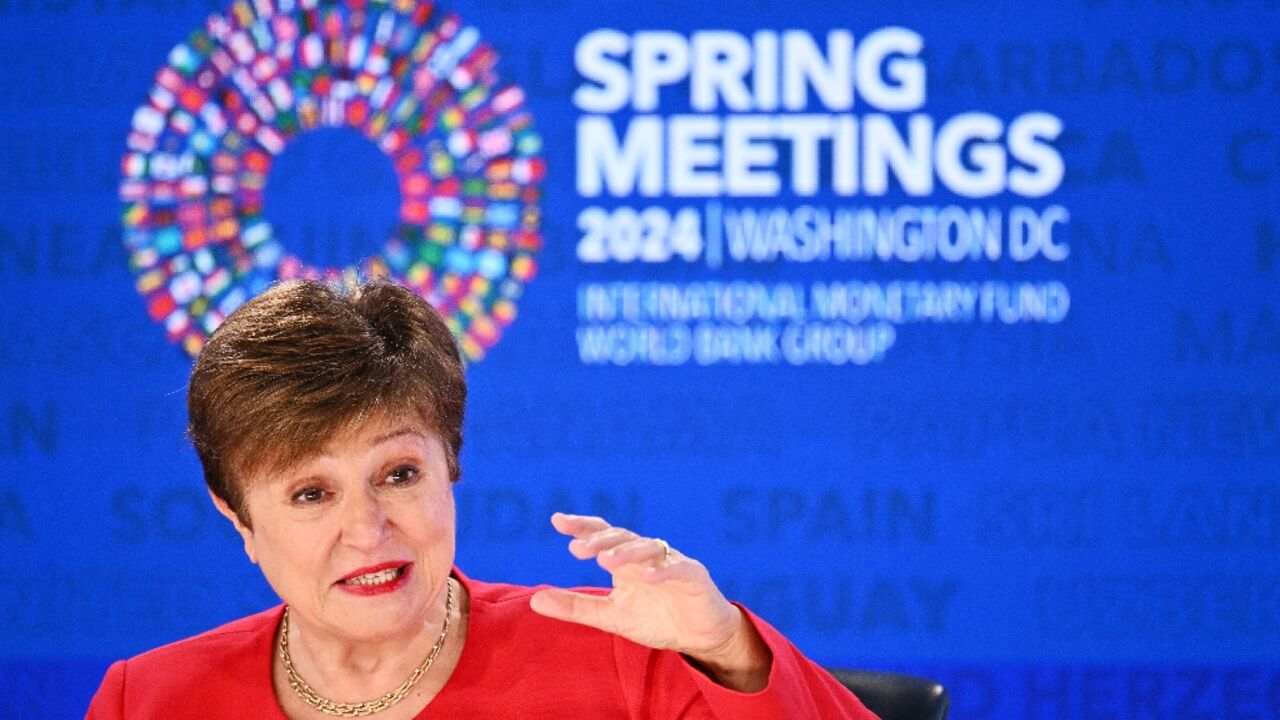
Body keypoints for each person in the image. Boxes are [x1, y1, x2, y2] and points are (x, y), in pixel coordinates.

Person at [87, 279, 876, 720]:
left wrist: (728, 649)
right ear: (239, 517)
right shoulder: (148, 701)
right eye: (310, 493)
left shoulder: (618, 662)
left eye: (400, 474)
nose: (366, 529)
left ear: (451, 466)